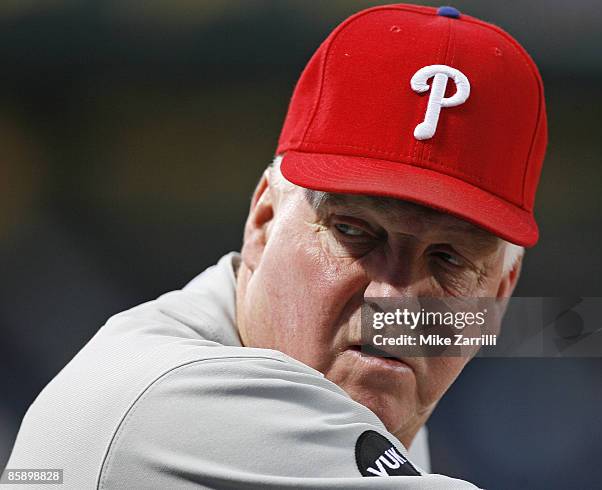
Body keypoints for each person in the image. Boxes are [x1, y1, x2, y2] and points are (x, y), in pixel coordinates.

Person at [5, 4, 547, 489]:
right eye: (355, 232)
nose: (393, 299)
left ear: (496, 298)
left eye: (448, 258)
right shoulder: (171, 401)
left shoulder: (380, 414)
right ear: (263, 222)